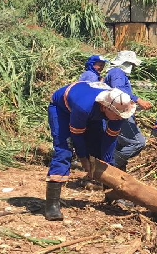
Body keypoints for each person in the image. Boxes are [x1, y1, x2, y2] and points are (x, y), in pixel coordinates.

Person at [44, 81, 137, 221]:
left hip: (93, 111)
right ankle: (51, 205)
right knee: (64, 150)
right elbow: (77, 135)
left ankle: (112, 196)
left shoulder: (119, 110)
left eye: (121, 116)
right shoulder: (84, 107)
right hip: (61, 109)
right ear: (106, 107)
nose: (120, 119)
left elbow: (109, 141)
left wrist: (108, 164)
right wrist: (83, 160)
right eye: (117, 115)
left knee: (98, 148)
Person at [104, 50, 153, 171]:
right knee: (137, 142)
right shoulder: (117, 73)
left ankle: (115, 176)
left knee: (120, 144)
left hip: (116, 112)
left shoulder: (115, 72)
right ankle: (108, 167)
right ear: (126, 62)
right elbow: (119, 90)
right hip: (119, 114)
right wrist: (138, 100)